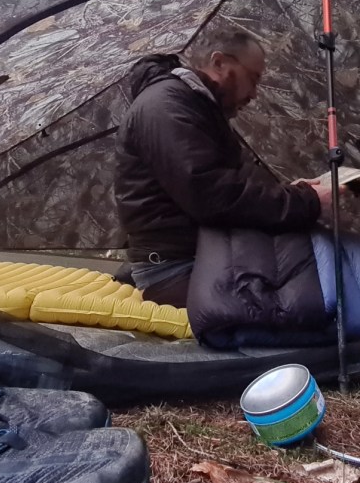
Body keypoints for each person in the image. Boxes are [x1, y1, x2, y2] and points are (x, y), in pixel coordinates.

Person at [114, 30, 332, 307]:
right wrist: (307, 203)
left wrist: (292, 192)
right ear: (219, 63)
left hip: (206, 255)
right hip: (176, 269)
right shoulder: (166, 106)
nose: (254, 93)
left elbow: (232, 183)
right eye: (253, 78)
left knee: (324, 263)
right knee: (314, 299)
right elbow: (211, 195)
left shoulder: (197, 107)